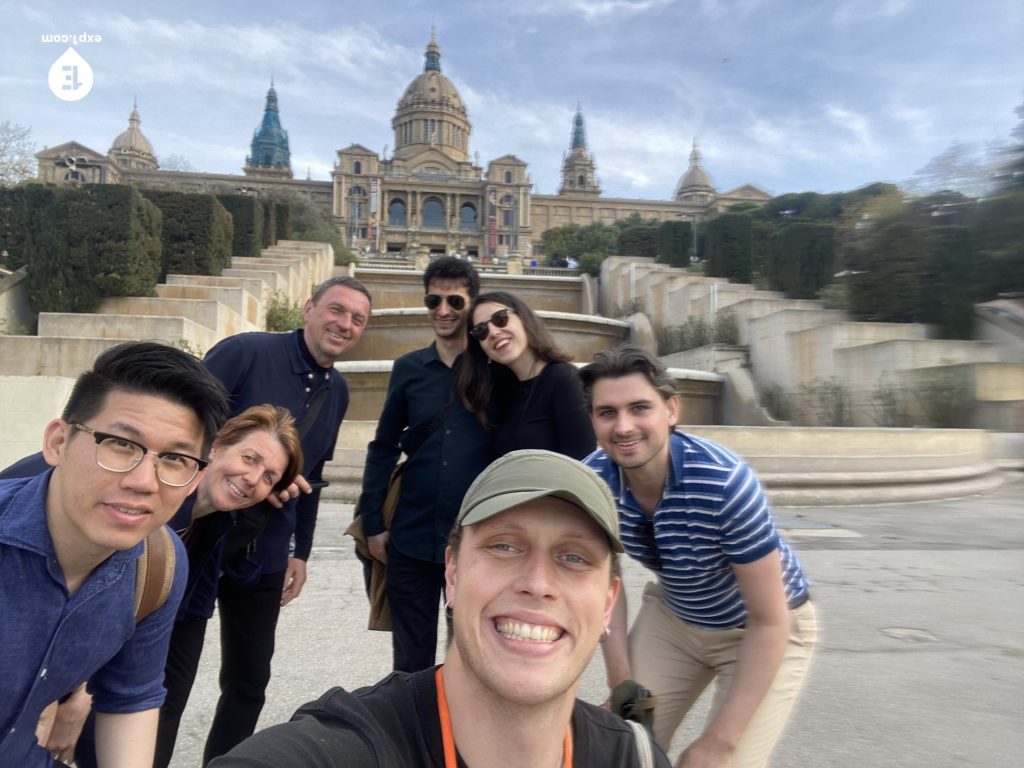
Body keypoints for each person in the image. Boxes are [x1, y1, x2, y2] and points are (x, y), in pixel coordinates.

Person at [209, 449, 672, 768]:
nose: (537, 583)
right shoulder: (346, 747)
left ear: (609, 603)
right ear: (452, 573)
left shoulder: (635, 757)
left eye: (574, 558)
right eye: (504, 546)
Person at [24, 405, 303, 768]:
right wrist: (69, 698)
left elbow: (172, 638)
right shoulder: (147, 495)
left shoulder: (219, 523)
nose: (253, 479)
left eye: (269, 477)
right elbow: (67, 598)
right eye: (249, 459)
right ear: (215, 447)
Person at [579, 344, 817, 768]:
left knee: (717, 762)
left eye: (640, 408)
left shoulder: (725, 483)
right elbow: (605, 586)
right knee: (617, 747)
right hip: (676, 619)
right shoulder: (594, 479)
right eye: (607, 413)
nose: (624, 426)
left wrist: (720, 742)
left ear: (671, 410)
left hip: (762, 628)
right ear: (593, 420)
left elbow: (770, 619)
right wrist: (623, 684)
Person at [0, 341, 228, 768]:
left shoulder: (157, 565)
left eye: (175, 458)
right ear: (58, 442)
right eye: (121, 444)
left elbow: (131, 696)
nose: (144, 481)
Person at [198, 275, 372, 763]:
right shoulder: (245, 352)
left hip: (268, 550)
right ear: (309, 307)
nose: (344, 324)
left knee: (250, 681)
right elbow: (189, 426)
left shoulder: (337, 390)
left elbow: (314, 478)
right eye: (336, 310)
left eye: (357, 319)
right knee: (166, 672)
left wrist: (303, 551)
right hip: (201, 538)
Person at [359, 256, 492, 673]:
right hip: (410, 535)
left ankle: (460, 736)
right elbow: (382, 447)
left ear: (471, 304)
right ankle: (413, 736)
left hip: (472, 539)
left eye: (455, 301)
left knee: (469, 657)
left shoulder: (494, 370)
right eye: (434, 300)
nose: (443, 310)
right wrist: (373, 522)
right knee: (410, 661)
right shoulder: (408, 369)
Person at [456, 290, 595, 459]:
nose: (493, 333)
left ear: (523, 318)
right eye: (481, 331)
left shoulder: (563, 378)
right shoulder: (501, 391)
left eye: (500, 319)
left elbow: (584, 462)